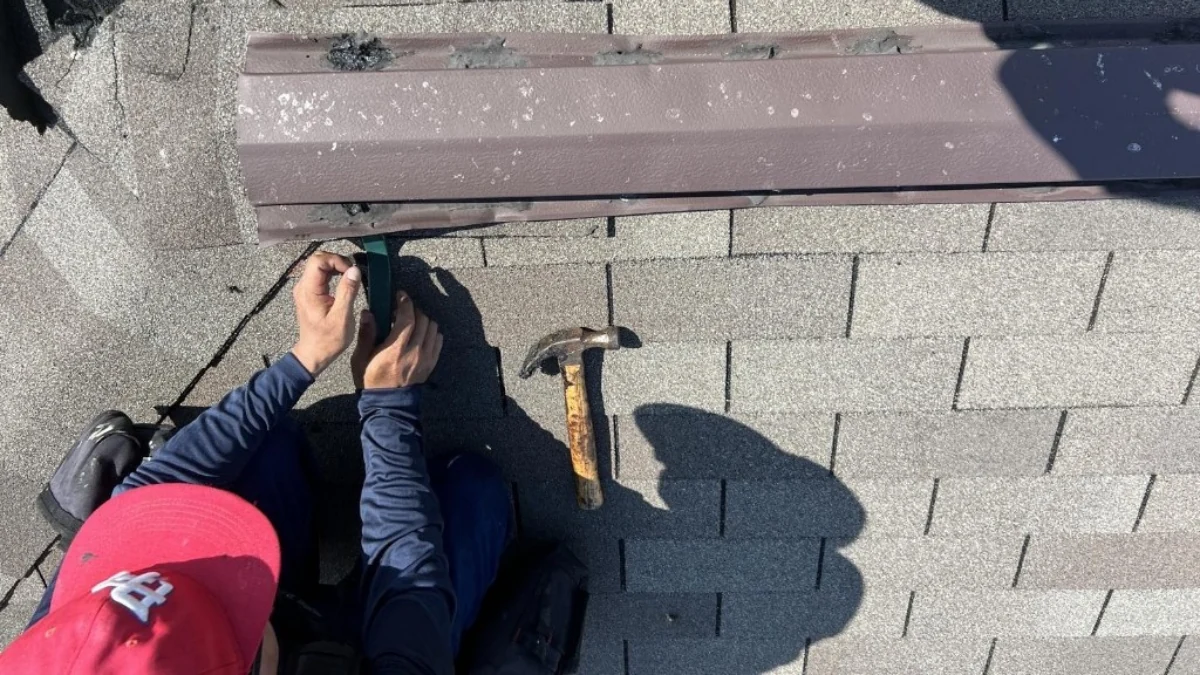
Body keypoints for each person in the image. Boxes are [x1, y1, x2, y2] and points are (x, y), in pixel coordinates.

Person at [0, 250, 513, 674]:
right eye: (227, 600)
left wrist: (301, 362)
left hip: (276, 634)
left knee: (266, 445)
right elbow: (411, 585)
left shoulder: (62, 651)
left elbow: (154, 493)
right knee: (475, 494)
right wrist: (388, 406)